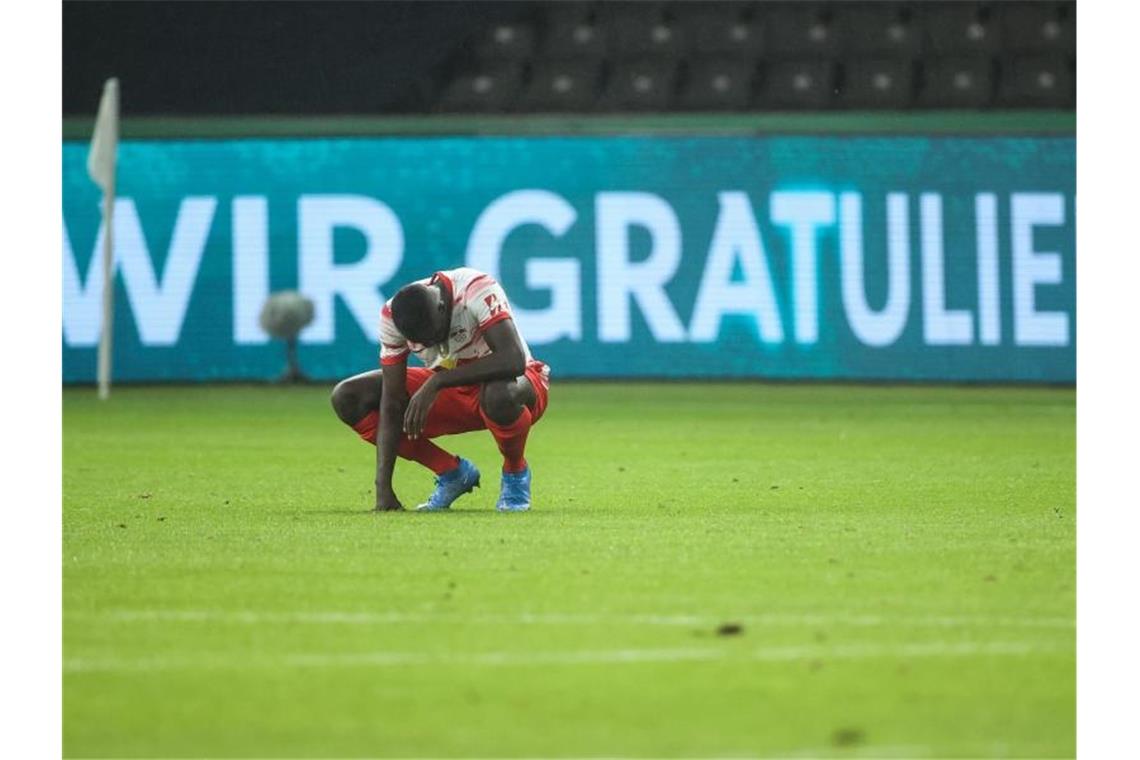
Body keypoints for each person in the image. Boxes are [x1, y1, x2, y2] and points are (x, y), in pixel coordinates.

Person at [330, 267, 550, 512]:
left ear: (443, 308)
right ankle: (452, 472)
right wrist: (383, 490)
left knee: (498, 393)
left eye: (434, 334)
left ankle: (515, 472)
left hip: (518, 384)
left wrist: (437, 382)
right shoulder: (391, 317)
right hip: (455, 392)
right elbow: (392, 401)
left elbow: (513, 360)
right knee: (348, 397)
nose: (432, 345)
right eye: (421, 343)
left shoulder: (475, 288)